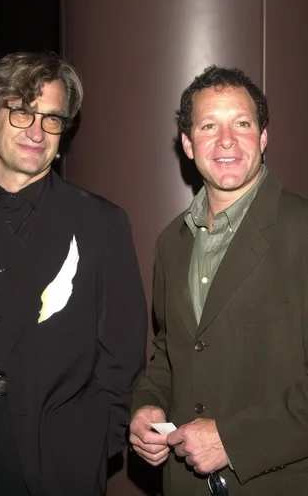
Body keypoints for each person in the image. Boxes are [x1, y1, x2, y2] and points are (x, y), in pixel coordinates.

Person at [0, 51, 147, 496]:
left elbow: (122, 353)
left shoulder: (102, 224)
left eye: (52, 118)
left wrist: (94, 441)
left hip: (54, 462)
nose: (37, 131)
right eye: (21, 112)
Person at [129, 65, 308, 495]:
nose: (226, 140)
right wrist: (146, 406)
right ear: (188, 145)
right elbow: (169, 350)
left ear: (263, 138)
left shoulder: (301, 229)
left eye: (241, 124)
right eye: (210, 126)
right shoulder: (172, 242)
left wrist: (234, 439)